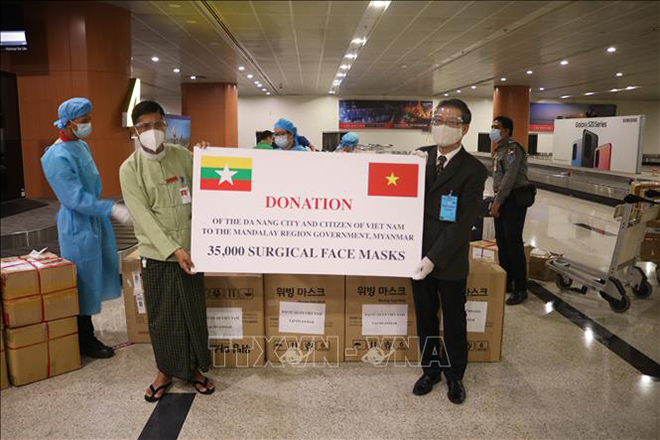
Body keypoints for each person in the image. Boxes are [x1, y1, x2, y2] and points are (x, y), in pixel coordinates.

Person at [119, 100, 215, 402]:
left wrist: (207, 158)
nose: (153, 131)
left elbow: (208, 188)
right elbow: (142, 216)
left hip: (191, 249)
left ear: (166, 125)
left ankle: (196, 369)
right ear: (136, 130)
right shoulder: (129, 169)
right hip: (157, 254)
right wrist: (173, 250)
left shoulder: (183, 156)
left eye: (158, 124)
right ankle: (164, 371)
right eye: (145, 126)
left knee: (193, 311)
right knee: (162, 316)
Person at [410, 99, 488, 404]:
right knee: (426, 316)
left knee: (454, 318)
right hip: (416, 256)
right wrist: (406, 168)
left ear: (465, 128)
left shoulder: (473, 170)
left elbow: (462, 223)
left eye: (451, 121)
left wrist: (433, 259)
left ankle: (455, 375)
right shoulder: (420, 158)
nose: (441, 126)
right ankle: (430, 370)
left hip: (449, 259)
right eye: (437, 119)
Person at [41, 97, 130, 359]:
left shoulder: (81, 145)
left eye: (90, 118)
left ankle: (86, 333)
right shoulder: (55, 156)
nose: (89, 124)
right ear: (67, 122)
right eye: (84, 120)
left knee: (97, 274)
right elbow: (73, 198)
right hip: (77, 224)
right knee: (82, 280)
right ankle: (83, 339)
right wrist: (110, 208)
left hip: (94, 219)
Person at [490, 116, 531, 305]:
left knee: (513, 244)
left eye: (496, 127)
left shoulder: (514, 149)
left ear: (507, 130)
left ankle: (521, 288)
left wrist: (497, 202)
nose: (493, 130)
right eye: (492, 127)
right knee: (502, 242)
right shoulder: (500, 149)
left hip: (513, 200)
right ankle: (506, 281)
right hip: (503, 198)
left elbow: (509, 177)